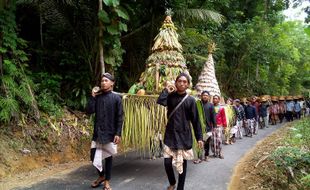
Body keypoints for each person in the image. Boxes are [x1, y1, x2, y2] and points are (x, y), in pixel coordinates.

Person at [157, 73, 203, 190]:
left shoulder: (191, 100)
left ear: (188, 85)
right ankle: (172, 182)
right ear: (176, 83)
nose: (182, 83)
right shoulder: (171, 96)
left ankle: (180, 188)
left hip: (184, 135)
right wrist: (166, 90)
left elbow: (196, 121)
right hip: (170, 134)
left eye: (184, 82)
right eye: (179, 81)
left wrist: (199, 138)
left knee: (182, 164)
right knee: (167, 163)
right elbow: (160, 101)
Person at [86, 73, 123, 190]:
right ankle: (101, 176)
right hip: (98, 132)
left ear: (112, 83)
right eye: (102, 81)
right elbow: (89, 111)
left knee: (108, 157)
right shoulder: (97, 97)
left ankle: (107, 181)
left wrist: (118, 133)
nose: (103, 82)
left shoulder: (117, 98)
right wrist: (92, 96)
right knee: (93, 156)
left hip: (110, 133)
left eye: (106, 81)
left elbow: (120, 117)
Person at [194, 91, 216, 163]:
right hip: (198, 127)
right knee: (199, 142)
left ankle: (206, 156)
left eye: (206, 95)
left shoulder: (211, 105)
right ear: (201, 96)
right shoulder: (197, 104)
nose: (205, 96)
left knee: (207, 143)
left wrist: (214, 126)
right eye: (204, 95)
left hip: (208, 128)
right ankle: (199, 157)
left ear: (209, 97)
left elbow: (213, 116)